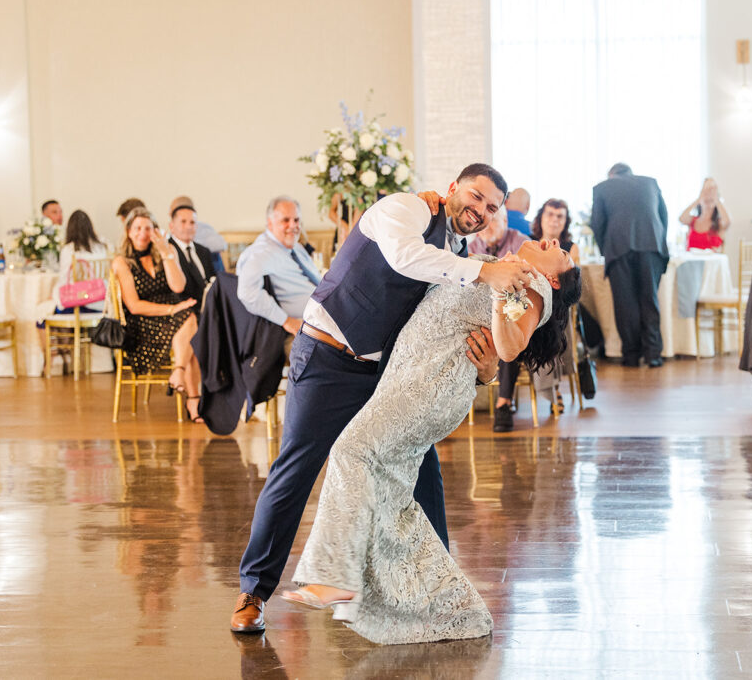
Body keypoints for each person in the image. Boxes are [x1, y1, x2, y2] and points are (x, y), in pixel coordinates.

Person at [230, 163, 536, 634]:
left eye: (491, 208)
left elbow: (445, 329)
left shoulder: (460, 252)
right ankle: (254, 590)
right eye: (475, 197)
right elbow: (405, 258)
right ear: (453, 188)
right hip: (329, 356)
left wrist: (489, 371)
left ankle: (441, 590)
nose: (480, 211)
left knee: (425, 473)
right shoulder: (404, 209)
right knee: (297, 467)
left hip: (387, 377)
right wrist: (486, 271)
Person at [281, 239, 582, 644]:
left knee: (351, 451)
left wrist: (499, 295)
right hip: (411, 376)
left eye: (561, 254)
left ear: (554, 280)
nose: (553, 243)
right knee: (391, 492)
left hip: (429, 386)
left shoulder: (532, 286)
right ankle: (446, 605)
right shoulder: (505, 268)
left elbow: (511, 344)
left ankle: (334, 577)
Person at [110, 207, 203, 423]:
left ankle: (180, 375)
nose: (143, 233)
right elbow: (133, 306)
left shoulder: (164, 251)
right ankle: (193, 400)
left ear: (155, 231)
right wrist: (172, 310)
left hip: (173, 318)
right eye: (138, 228)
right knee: (189, 324)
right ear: (128, 231)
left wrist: (166, 253)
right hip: (143, 324)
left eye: (148, 228)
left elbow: (178, 287)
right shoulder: (122, 262)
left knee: (190, 323)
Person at [590, 163, 670, 368]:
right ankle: (653, 354)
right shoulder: (650, 183)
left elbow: (598, 224)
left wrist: (605, 251)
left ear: (611, 175)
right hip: (651, 244)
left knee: (626, 304)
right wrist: (659, 241)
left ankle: (631, 355)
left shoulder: (602, 187)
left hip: (618, 247)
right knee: (649, 299)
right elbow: (663, 217)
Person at [468, 206, 530, 432]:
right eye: (484, 221)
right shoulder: (472, 245)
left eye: (493, 221)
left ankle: (504, 402)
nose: (487, 226)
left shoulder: (520, 243)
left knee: (505, 335)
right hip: (480, 315)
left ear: (505, 222)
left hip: (514, 313)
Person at [236, 197, 321, 353]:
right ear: (270, 223)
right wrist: (286, 321)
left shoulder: (295, 247)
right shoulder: (259, 253)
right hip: (303, 327)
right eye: (286, 220)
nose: (293, 226)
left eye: (296, 220)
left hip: (325, 318)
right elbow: (247, 293)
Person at [528, 197, 582, 418]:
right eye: (550, 214)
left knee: (552, 320)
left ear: (565, 221)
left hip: (559, 309)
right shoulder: (529, 244)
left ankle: (552, 388)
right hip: (532, 305)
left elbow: (570, 285)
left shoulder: (571, 248)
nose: (554, 220)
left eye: (560, 216)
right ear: (541, 218)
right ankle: (551, 387)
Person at [53, 210, 110, 313]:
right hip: (103, 301)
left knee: (43, 316)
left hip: (78, 304)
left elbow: (64, 279)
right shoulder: (102, 247)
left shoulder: (69, 250)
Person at [166, 202, 218, 305]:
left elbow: (213, 280)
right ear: (171, 226)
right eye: (183, 222)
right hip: (185, 305)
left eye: (192, 222)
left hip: (211, 304)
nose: (188, 227)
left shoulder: (204, 251)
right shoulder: (168, 250)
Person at [168, 195, 227, 265]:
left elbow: (222, 245)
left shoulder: (204, 229)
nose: (188, 227)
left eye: (171, 210)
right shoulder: (170, 246)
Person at [678, 178, 731, 251]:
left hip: (711, 262)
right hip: (692, 261)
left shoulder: (719, 223)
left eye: (711, 199)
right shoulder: (693, 221)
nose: (708, 198)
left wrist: (716, 197)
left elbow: (727, 222)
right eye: (705, 194)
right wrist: (699, 198)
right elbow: (681, 218)